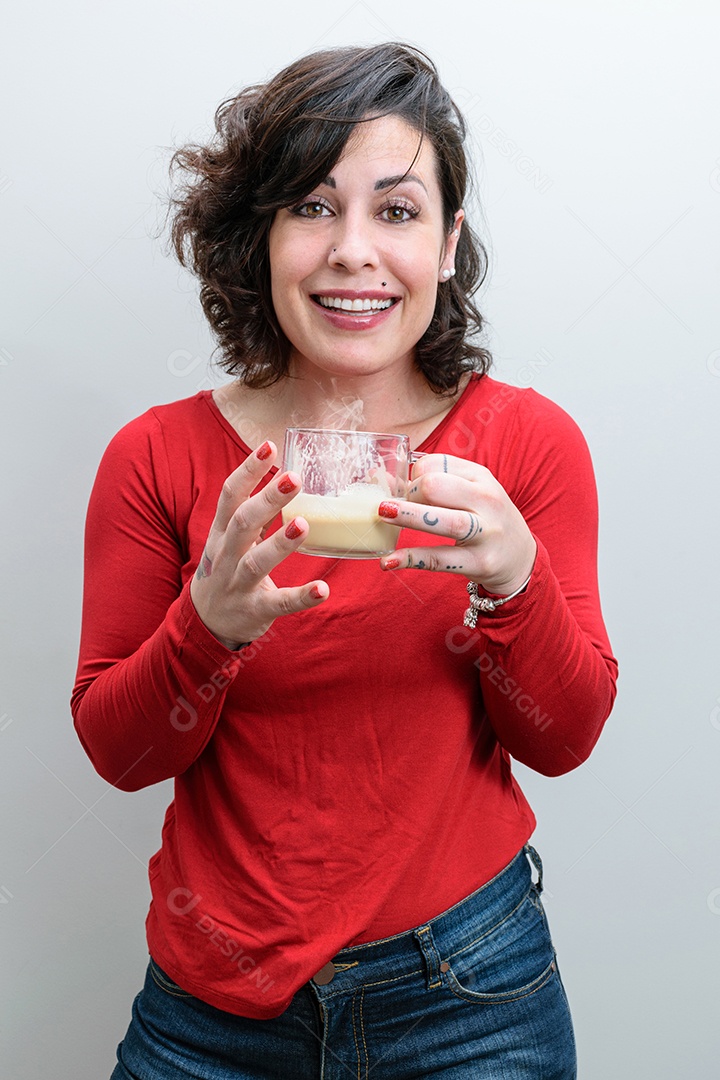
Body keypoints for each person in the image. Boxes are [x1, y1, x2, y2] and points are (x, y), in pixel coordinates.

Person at [72, 42, 618, 1079]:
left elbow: (564, 737)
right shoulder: (155, 457)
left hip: (474, 997)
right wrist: (209, 626)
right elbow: (121, 754)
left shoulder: (526, 448)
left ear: (449, 244)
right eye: (312, 208)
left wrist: (514, 582)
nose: (353, 251)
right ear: (260, 239)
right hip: (213, 1014)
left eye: (398, 211)